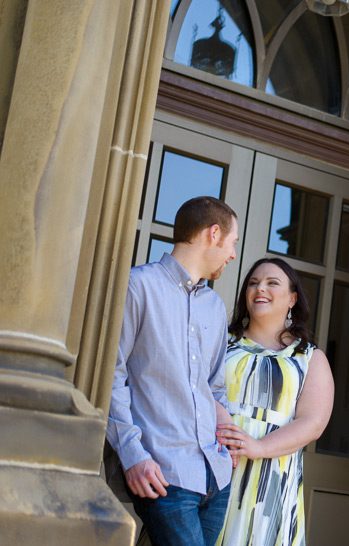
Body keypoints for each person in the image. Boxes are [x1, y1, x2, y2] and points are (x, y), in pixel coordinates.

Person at [106, 196, 240, 546]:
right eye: (232, 242)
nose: (233, 254)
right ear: (214, 233)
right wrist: (132, 455)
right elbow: (110, 376)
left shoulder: (214, 306)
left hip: (216, 476)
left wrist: (227, 442)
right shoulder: (139, 286)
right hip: (164, 474)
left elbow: (214, 389)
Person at [215, 257, 334, 546]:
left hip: (271, 479)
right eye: (253, 283)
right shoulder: (221, 341)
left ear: (292, 298)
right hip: (217, 462)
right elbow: (196, 390)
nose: (260, 289)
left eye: (272, 283)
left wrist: (258, 447)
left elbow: (313, 422)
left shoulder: (309, 357)